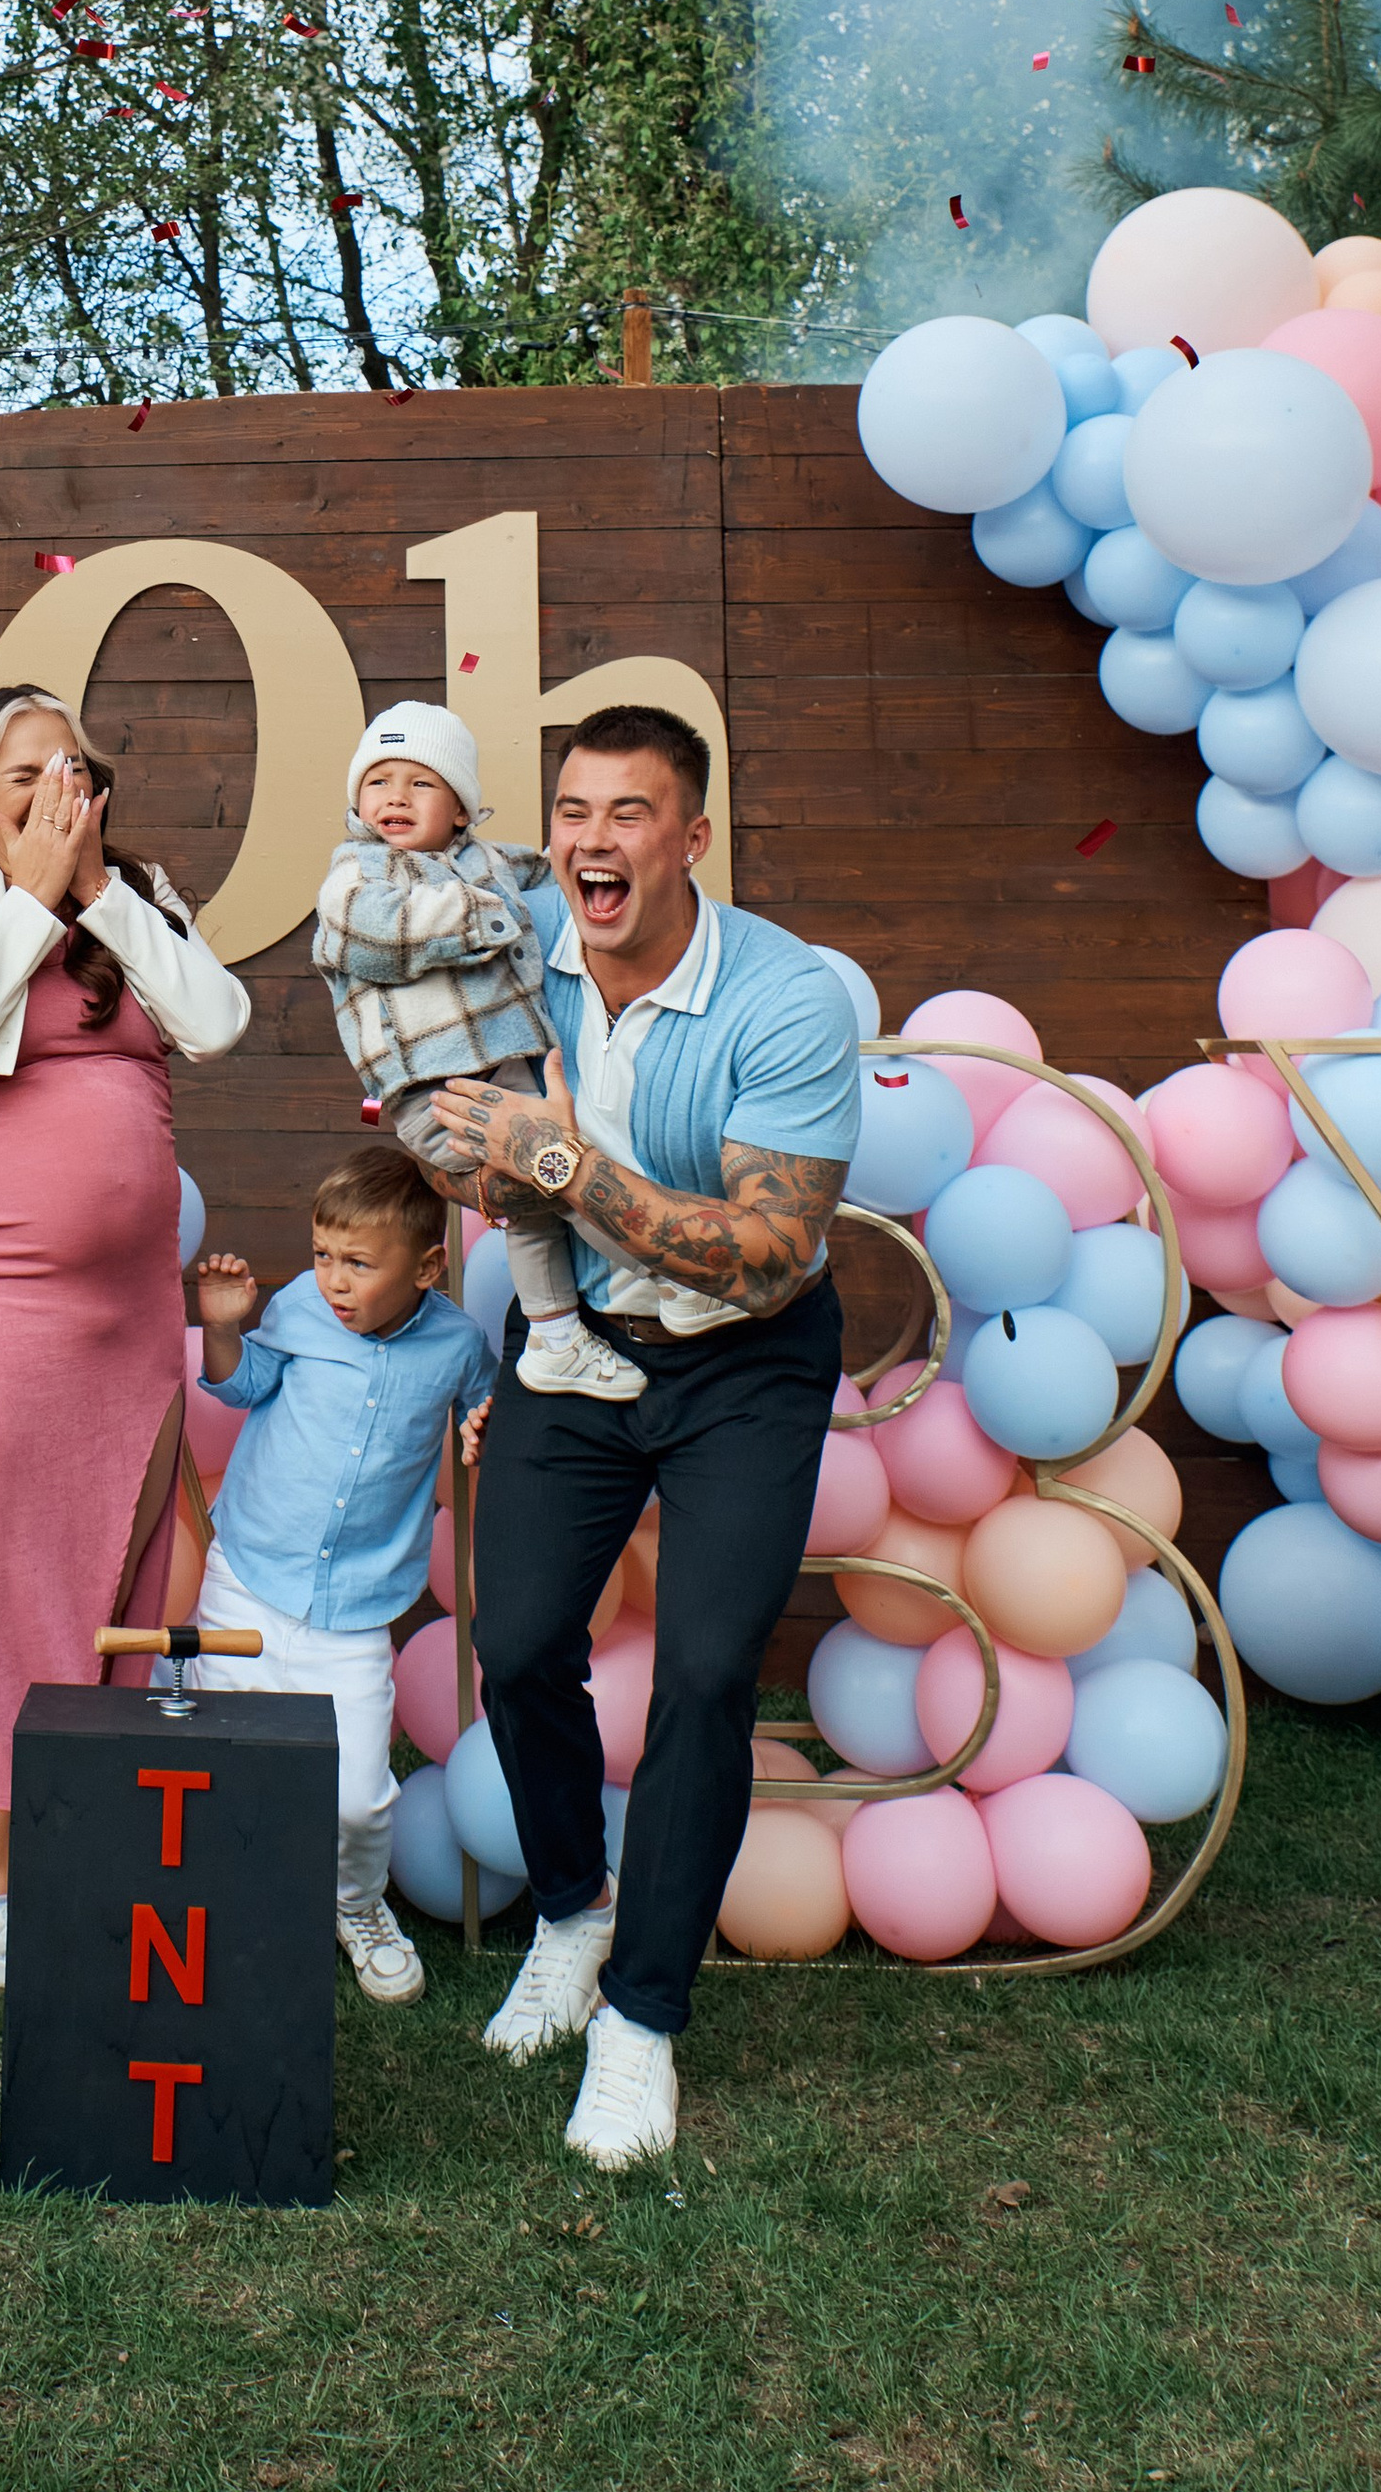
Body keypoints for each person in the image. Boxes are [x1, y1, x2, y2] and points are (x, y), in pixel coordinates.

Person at [429, 702, 859, 2174]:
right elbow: (442, 1113)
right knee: (524, 1637)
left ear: (691, 836)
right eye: (573, 809)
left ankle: (642, 2020)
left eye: (628, 813)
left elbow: (766, 1249)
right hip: (576, 1343)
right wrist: (465, 1147)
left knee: (704, 1674)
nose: (591, 840)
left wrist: (559, 1160)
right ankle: (571, 1911)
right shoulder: (515, 951)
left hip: (746, 1364)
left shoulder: (787, 996)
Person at [0, 681, 251, 2080]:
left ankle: (4, 1901)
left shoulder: (136, 897)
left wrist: (100, 892)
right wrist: (26, 893)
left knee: (101, 1589)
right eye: (17, 771)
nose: (46, 788)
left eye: (68, 766)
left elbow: (218, 1018)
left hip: (127, 1317)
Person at [191, 1140, 497, 2005]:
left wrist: (490, 1423)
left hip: (357, 1609)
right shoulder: (296, 1308)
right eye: (324, 1255)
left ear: (429, 1267)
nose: (334, 1279)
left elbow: (488, 1400)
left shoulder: (457, 1344)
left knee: (359, 1796)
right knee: (226, 1757)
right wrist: (222, 1328)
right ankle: (224, 1898)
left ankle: (355, 1903)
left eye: (358, 1263)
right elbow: (242, 1387)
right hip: (248, 1575)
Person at [313, 696, 644, 1404]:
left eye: (420, 783)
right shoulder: (357, 876)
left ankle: (567, 1331)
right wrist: (489, 911)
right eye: (378, 781)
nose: (394, 797)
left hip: (506, 1065)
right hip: (436, 1090)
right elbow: (383, 934)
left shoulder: (481, 859)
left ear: (461, 809)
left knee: (557, 1183)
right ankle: (638, 1285)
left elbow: (542, 868)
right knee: (546, 1185)